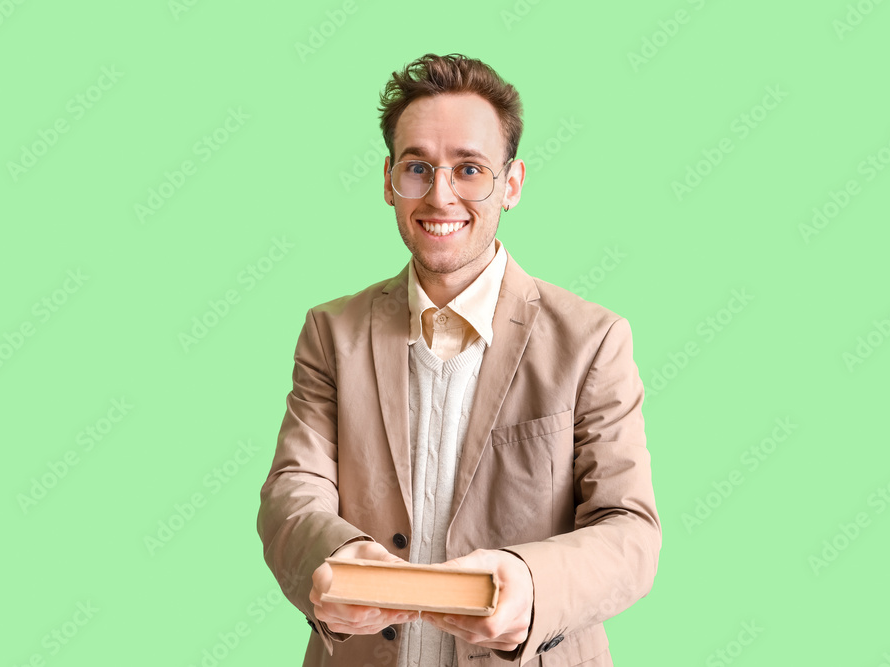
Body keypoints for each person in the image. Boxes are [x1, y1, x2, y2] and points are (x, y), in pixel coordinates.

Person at [257, 53, 661, 666]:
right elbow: (293, 493)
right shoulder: (330, 332)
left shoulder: (593, 340)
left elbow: (629, 531)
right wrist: (333, 559)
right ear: (389, 179)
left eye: (469, 169)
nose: (440, 196)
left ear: (513, 182)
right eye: (418, 168)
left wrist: (529, 584)